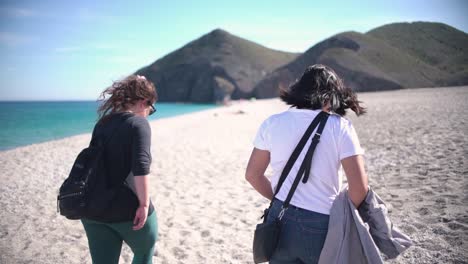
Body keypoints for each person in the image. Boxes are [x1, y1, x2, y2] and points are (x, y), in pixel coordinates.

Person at [246, 64, 369, 264]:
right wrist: (341, 216)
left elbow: (252, 175)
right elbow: (359, 188)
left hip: (280, 217)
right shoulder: (340, 127)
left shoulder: (272, 123)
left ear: (299, 90)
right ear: (332, 95)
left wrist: (279, 199)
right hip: (321, 221)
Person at [81, 75, 158, 264]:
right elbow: (140, 166)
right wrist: (143, 204)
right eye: (151, 108)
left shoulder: (103, 123)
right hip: (127, 208)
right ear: (142, 102)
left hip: (92, 208)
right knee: (144, 253)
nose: (149, 112)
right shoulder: (139, 123)